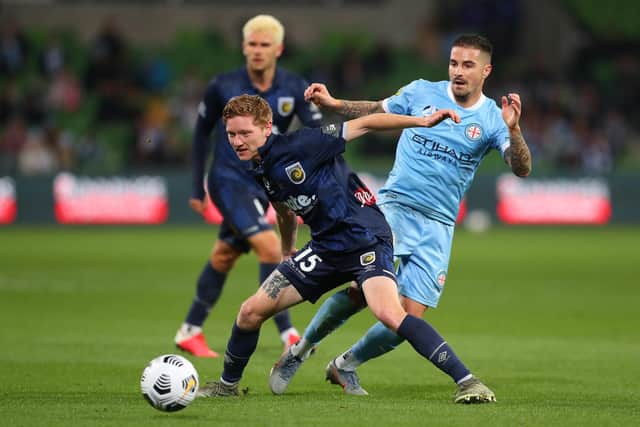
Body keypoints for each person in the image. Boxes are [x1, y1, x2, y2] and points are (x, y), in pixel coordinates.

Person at [269, 34, 531, 403]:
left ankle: (345, 365)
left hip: (439, 225)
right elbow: (377, 109)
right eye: (454, 63)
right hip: (394, 209)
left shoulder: (492, 119)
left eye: (468, 65)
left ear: (486, 71)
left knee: (408, 319)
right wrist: (334, 103)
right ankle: (300, 350)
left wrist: (515, 130)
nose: (458, 71)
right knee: (362, 292)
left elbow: (521, 168)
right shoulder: (422, 90)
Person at [197, 94, 492, 401]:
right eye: (231, 134)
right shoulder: (260, 165)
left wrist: (421, 121)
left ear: (267, 126)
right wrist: (288, 251)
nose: (237, 141)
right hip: (324, 248)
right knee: (249, 312)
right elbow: (284, 209)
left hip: (366, 237)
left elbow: (365, 123)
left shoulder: (303, 144)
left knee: (390, 314)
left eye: (244, 133)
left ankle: (468, 382)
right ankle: (227, 386)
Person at [174, 15, 323, 358]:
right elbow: (200, 133)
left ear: (279, 49)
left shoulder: (292, 86)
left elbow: (314, 133)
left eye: (264, 45)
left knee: (224, 255)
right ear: (243, 47)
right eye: (252, 44)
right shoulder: (222, 85)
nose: (257, 51)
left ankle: (190, 329)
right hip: (228, 180)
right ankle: (288, 333)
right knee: (272, 248)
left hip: (263, 183)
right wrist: (197, 188)